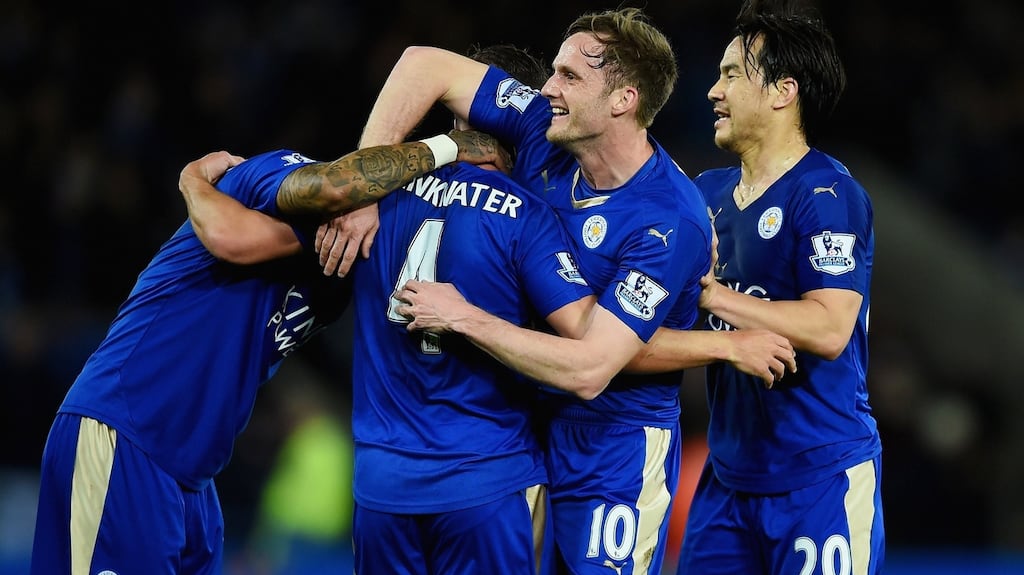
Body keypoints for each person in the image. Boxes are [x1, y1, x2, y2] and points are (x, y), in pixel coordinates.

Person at [351, 8, 794, 575]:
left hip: (615, 445)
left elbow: (591, 366)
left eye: (568, 77)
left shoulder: (667, 221)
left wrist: (465, 319)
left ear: (622, 100)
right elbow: (422, 66)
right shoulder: (543, 128)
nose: (547, 88)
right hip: (528, 428)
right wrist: (363, 186)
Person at [184, 44, 600, 575]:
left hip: (382, 489)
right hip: (487, 481)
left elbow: (242, 241)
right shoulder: (530, 216)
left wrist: (193, 183)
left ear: (456, 113)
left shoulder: (368, 205)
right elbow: (585, 342)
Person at [28, 132, 506, 574]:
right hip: (125, 432)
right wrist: (192, 179)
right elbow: (237, 233)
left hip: (192, 475)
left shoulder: (351, 273)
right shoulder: (270, 179)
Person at [675, 1, 884, 574]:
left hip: (818, 478)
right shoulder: (706, 193)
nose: (713, 90)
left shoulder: (826, 195)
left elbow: (831, 326)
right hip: (727, 479)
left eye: (731, 74)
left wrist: (716, 297)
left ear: (782, 91)